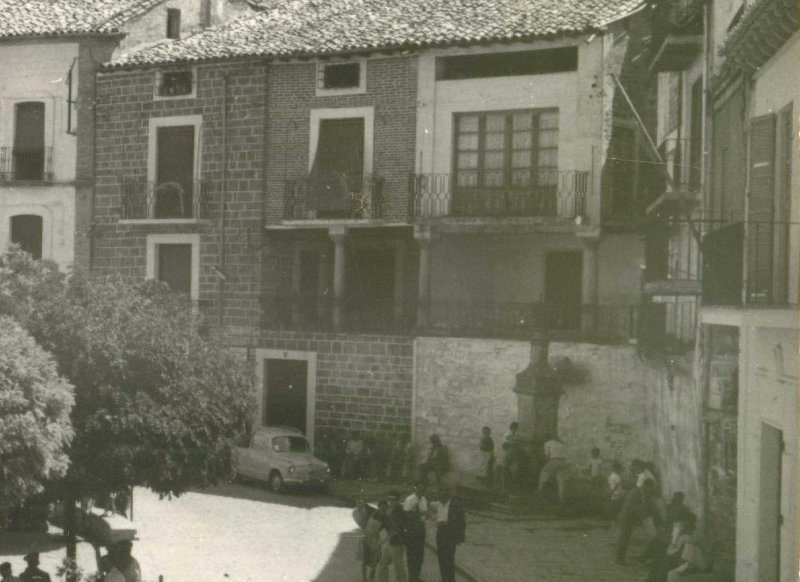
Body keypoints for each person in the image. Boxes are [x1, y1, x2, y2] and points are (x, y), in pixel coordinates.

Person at [616, 478, 658, 565]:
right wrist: (643, 513)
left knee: (626, 538)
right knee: (624, 538)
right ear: (646, 486)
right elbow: (631, 506)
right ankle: (619, 558)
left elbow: (650, 504)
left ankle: (621, 557)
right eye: (650, 488)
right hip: (626, 517)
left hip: (633, 518)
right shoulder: (635, 492)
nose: (650, 491)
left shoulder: (645, 492)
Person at [431, 486, 465, 582]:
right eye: (440, 495)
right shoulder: (438, 504)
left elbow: (461, 521)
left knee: (449, 559)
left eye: (444, 495)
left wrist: (460, 537)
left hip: (450, 534)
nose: (442, 498)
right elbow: (429, 508)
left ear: (448, 495)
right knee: (441, 558)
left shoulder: (455, 506)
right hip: (440, 534)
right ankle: (444, 579)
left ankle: (450, 580)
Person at [375, 490, 408, 582]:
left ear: (397, 500)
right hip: (391, 543)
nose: (390, 501)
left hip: (397, 543)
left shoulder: (398, 511)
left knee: (398, 568)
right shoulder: (390, 509)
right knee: (383, 565)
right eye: (388, 499)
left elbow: (395, 530)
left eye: (393, 499)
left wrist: (383, 540)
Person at [402, 483, 428, 582]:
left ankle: (416, 577)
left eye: (423, 490)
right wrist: (418, 514)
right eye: (419, 490)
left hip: (421, 528)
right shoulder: (410, 500)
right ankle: (411, 578)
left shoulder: (424, 499)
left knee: (420, 555)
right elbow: (406, 515)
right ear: (416, 489)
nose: (421, 492)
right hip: (412, 529)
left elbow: (425, 512)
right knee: (412, 555)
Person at [538, 435, 569, 503]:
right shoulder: (561, 443)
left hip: (554, 460)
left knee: (543, 474)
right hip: (563, 462)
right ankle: (561, 500)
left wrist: (545, 463)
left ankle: (540, 493)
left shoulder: (547, 443)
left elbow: (547, 456)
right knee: (561, 481)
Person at [363, 500, 388, 582]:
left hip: (374, 536)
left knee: (376, 556)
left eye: (384, 507)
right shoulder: (377, 514)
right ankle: (366, 575)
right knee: (369, 556)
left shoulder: (382, 515)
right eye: (381, 507)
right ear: (379, 507)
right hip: (370, 536)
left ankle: (372, 571)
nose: (383, 509)